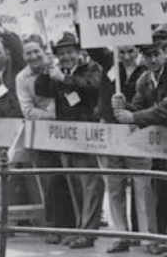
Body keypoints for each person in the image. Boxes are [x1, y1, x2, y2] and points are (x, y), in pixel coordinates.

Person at [111, 31, 167, 257]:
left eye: (157, 54)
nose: (153, 60)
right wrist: (122, 106)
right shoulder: (145, 79)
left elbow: (166, 108)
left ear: (165, 52)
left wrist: (133, 117)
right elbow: (137, 107)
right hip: (166, 145)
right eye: (147, 56)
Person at [33, 32, 106, 249]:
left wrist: (64, 79)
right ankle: (78, 230)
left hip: (86, 136)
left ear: (78, 52)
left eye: (69, 52)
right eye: (62, 54)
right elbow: (41, 89)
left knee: (90, 185)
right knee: (74, 185)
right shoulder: (57, 72)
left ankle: (89, 232)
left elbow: (91, 87)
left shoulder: (90, 69)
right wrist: (46, 71)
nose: (66, 57)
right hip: (65, 137)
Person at [13, 37, 76, 243]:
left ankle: (74, 227)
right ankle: (54, 228)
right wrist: (56, 116)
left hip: (68, 135)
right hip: (42, 136)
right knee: (51, 181)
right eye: (28, 53)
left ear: (44, 51)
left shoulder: (58, 69)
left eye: (36, 51)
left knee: (71, 180)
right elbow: (28, 111)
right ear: (23, 56)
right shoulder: (22, 78)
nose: (33, 56)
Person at [95, 45, 152, 253]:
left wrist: (129, 108)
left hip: (136, 131)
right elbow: (91, 44)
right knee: (114, 186)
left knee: (142, 186)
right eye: (122, 52)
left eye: (131, 52)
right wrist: (76, 15)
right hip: (110, 130)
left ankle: (147, 238)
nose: (126, 56)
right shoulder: (109, 62)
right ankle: (121, 235)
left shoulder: (146, 69)